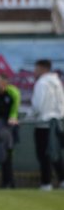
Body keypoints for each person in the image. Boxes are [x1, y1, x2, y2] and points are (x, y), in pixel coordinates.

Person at [31, 59, 64, 191]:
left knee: (43, 154)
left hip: (43, 125)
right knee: (55, 152)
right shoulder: (58, 82)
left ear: (42, 68)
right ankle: (62, 180)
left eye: (36, 68)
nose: (35, 71)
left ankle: (46, 183)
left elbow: (37, 105)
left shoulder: (42, 83)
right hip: (57, 123)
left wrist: (31, 116)